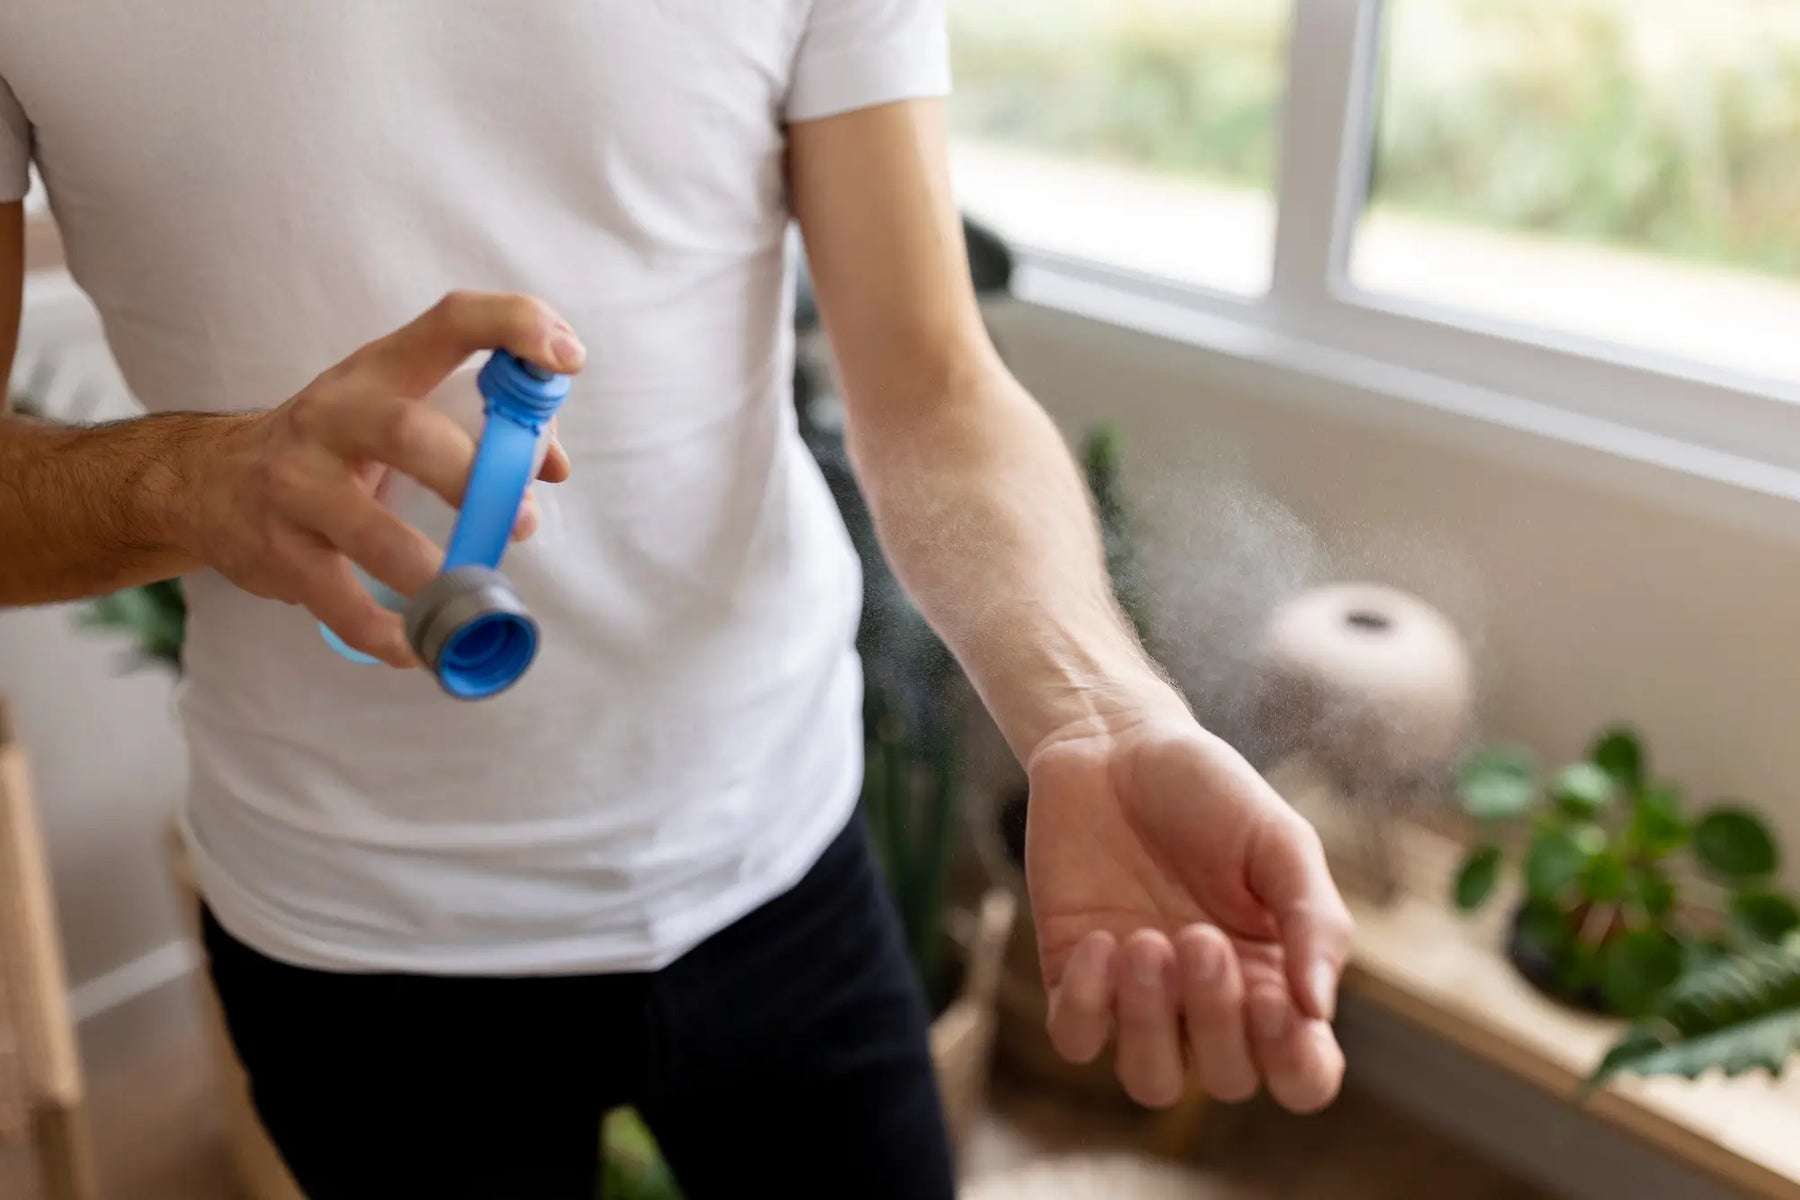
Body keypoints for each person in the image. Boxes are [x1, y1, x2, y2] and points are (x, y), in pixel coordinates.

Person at [0, 4, 1352, 1197]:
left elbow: (931, 377)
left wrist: (1097, 712)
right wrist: (190, 482)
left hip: (782, 854)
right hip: (357, 931)